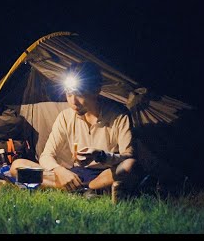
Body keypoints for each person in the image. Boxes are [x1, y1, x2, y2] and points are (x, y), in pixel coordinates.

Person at [10, 61, 145, 193]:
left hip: (104, 174)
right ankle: (79, 189)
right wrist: (60, 170)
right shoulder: (65, 117)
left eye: (79, 94)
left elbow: (128, 157)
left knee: (130, 166)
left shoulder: (118, 115)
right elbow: (46, 156)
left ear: (96, 91)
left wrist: (101, 155)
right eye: (69, 94)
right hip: (74, 175)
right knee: (17, 167)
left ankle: (87, 188)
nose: (73, 101)